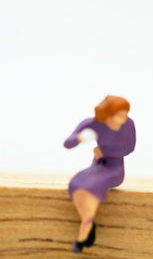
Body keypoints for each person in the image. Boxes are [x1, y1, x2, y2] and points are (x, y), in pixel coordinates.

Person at [63, 95, 136, 254]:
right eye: (120, 115)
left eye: (126, 114)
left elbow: (129, 148)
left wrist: (104, 151)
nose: (124, 118)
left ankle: (83, 233)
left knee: (92, 185)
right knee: (77, 181)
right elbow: (68, 143)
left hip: (115, 168)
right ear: (108, 115)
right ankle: (88, 220)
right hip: (97, 165)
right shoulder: (93, 124)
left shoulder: (128, 124)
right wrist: (81, 138)